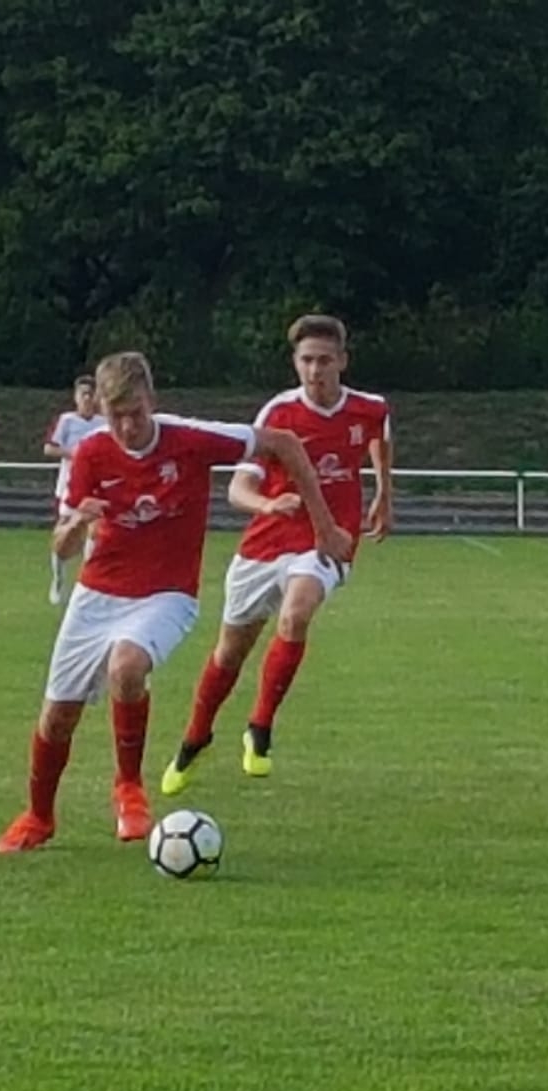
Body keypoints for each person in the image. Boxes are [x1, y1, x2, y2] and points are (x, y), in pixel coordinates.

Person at [0, 351, 354, 855]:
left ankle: (129, 788)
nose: (127, 426)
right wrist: (75, 525)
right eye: (115, 416)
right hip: (97, 595)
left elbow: (284, 443)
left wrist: (324, 527)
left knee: (127, 666)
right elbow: (63, 546)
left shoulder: (189, 439)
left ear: (152, 401)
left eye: (136, 413)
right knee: (56, 718)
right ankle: (38, 817)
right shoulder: (92, 453)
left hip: (167, 594)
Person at [161, 315, 393, 794]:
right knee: (230, 651)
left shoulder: (369, 408)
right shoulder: (278, 415)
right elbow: (238, 489)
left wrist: (383, 494)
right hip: (266, 543)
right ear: (295, 362)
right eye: (306, 360)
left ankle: (260, 726)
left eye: (324, 360)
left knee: (296, 613)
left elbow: (380, 438)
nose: (315, 370)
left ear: (343, 361)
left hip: (327, 539)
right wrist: (268, 504)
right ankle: (196, 737)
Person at [42, 373, 106, 604]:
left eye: (91, 394)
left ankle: (86, 582)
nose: (87, 398)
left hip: (97, 486)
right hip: (70, 485)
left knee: (95, 532)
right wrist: (75, 454)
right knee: (65, 531)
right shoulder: (67, 420)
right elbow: (49, 448)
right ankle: (58, 579)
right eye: (83, 394)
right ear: (76, 397)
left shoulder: (103, 422)